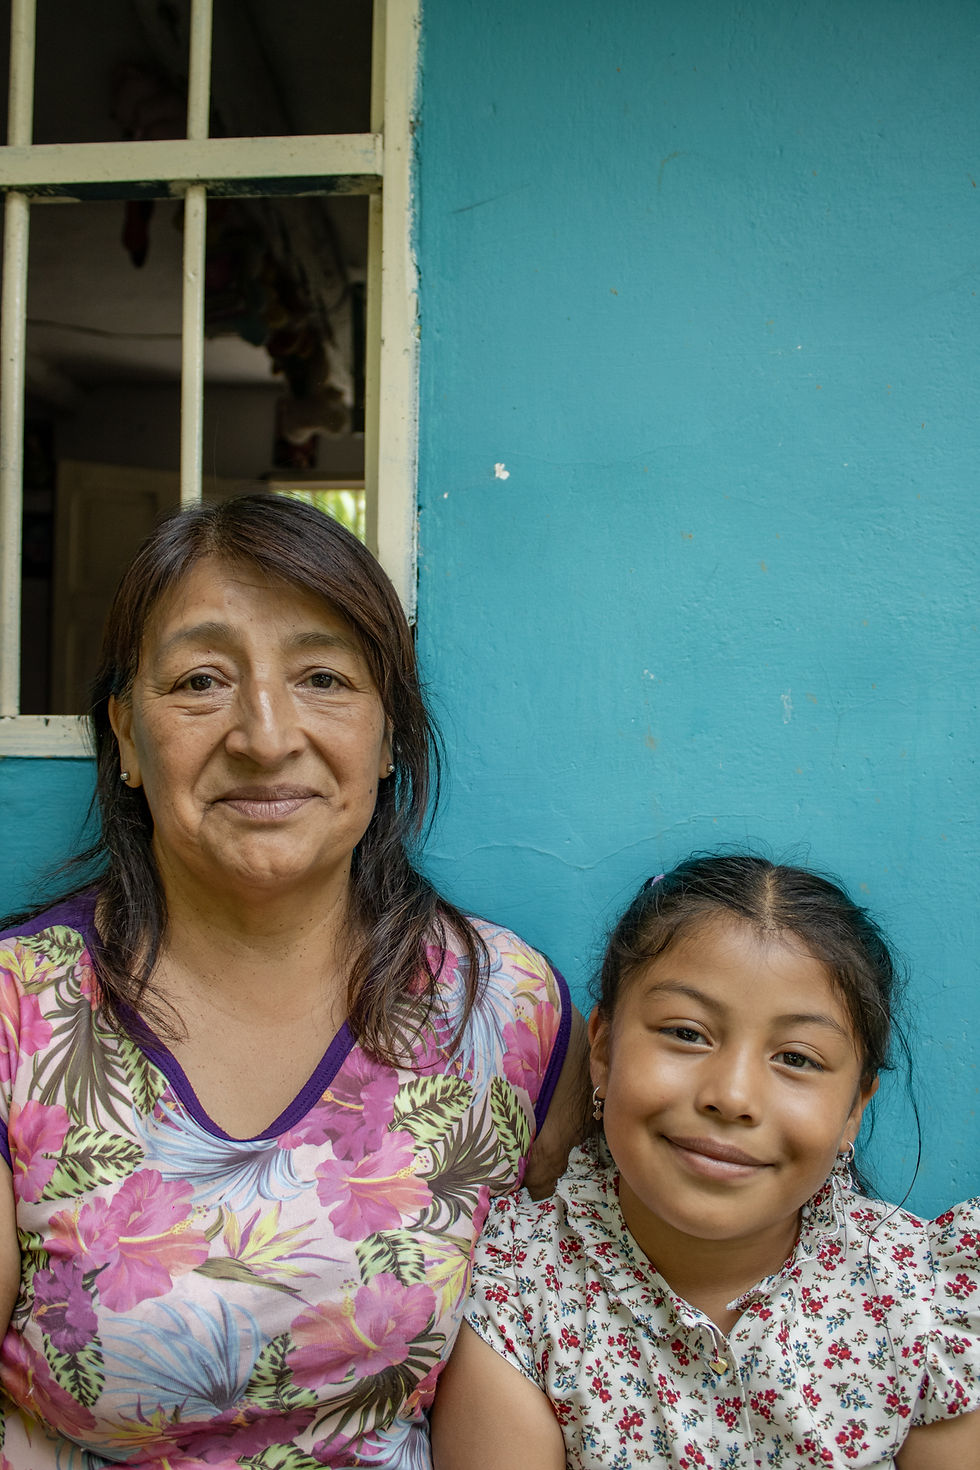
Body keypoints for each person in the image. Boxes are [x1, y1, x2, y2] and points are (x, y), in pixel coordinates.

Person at [0, 493, 586, 1469]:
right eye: (201, 681)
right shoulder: (19, 1014)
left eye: (322, 678)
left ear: (389, 735)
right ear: (128, 738)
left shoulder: (505, 1008)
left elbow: (571, 1336)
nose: (266, 737)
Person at [431, 854, 980, 1469]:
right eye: (687, 1033)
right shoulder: (516, 1287)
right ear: (603, 1050)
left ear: (855, 1107)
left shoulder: (922, 1303)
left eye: (797, 1058)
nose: (733, 1096)